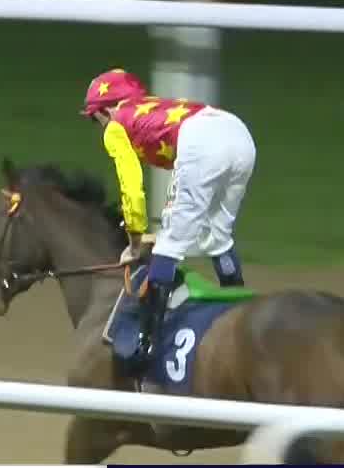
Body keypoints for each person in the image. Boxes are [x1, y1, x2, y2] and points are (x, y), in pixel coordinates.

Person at [80, 68, 258, 375]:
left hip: (202, 143)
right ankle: (238, 307)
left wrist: (136, 238)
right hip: (240, 135)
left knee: (170, 244)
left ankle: (146, 342)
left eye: (94, 117)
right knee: (217, 235)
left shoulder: (115, 126)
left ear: (106, 109)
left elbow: (131, 186)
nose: (96, 125)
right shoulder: (151, 108)